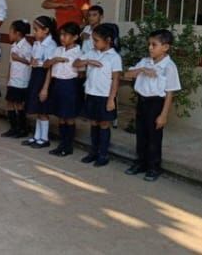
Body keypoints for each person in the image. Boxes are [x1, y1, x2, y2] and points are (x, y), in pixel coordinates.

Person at [124, 29, 181, 181]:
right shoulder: (145, 62)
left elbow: (170, 92)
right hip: (142, 101)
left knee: (154, 137)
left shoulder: (169, 67)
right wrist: (142, 70)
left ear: (165, 47)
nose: (150, 47)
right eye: (149, 44)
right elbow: (127, 74)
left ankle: (154, 167)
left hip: (156, 104)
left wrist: (163, 115)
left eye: (154, 45)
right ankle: (140, 162)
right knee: (141, 134)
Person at [73, 23, 122, 167]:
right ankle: (93, 151)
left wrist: (111, 99)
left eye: (96, 40)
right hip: (91, 93)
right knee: (93, 123)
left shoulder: (114, 57)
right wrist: (88, 61)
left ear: (108, 40)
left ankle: (103, 154)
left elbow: (116, 79)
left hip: (105, 96)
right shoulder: (92, 52)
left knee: (104, 124)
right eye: (93, 40)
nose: (94, 43)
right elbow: (76, 63)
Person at [42, 22, 83, 156]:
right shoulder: (58, 50)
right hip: (57, 83)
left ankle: (68, 145)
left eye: (66, 35)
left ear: (75, 37)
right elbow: (46, 65)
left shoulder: (79, 52)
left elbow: (81, 73)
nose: (62, 38)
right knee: (60, 116)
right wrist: (55, 60)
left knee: (69, 117)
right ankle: (61, 143)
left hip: (70, 85)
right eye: (61, 35)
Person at [22, 16, 59, 149]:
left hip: (44, 78)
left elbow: (49, 67)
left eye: (37, 30)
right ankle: (37, 136)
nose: (34, 32)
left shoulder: (51, 45)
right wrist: (33, 61)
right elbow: (34, 58)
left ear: (46, 30)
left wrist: (45, 88)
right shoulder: (37, 43)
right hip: (36, 75)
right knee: (38, 109)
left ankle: (44, 138)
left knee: (43, 110)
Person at [1, 20, 32, 138]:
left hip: (22, 80)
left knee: (19, 104)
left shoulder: (27, 46)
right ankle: (13, 127)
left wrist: (18, 58)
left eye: (10, 31)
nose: (9, 34)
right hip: (13, 79)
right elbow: (10, 63)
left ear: (18, 33)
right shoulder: (13, 45)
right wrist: (8, 78)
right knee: (9, 103)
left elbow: (30, 61)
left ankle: (23, 128)